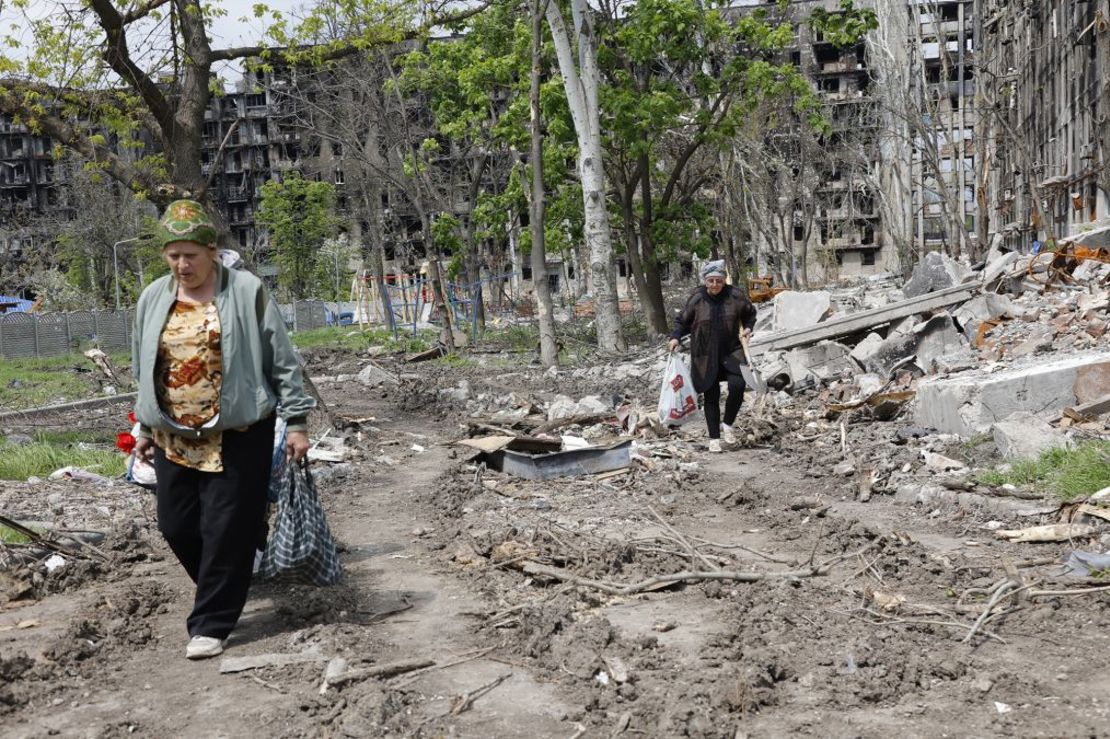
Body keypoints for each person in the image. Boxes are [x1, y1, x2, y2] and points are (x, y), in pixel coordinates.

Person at [131, 199, 315, 660]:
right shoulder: (153, 298)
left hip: (238, 430)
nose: (182, 264)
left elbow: (282, 358)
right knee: (175, 525)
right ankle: (234, 571)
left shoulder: (246, 290)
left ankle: (211, 622)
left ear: (212, 251)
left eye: (191, 254)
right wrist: (144, 429)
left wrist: (296, 421)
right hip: (174, 434)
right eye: (173, 255)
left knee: (224, 526)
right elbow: (144, 368)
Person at [667, 260, 757, 453]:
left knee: (738, 385)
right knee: (711, 394)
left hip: (732, 351)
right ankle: (714, 438)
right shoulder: (697, 299)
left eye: (718, 280)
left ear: (724, 280)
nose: (715, 285)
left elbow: (750, 314)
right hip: (705, 354)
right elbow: (681, 321)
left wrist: (748, 328)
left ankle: (728, 424)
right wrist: (675, 337)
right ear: (705, 281)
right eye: (711, 281)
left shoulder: (735, 296)